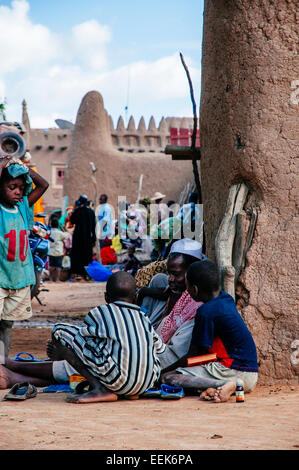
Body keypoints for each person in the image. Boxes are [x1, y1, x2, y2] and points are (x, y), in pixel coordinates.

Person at [1, 272, 165, 404]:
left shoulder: (100, 312)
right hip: (146, 383)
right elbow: (161, 348)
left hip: (116, 380)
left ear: (106, 297)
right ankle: (130, 391)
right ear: (135, 298)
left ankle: (99, 388)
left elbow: (83, 341)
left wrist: (62, 354)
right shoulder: (144, 318)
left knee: (61, 330)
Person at [162, 260, 259, 402]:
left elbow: (194, 355)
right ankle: (219, 388)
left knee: (169, 378)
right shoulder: (226, 298)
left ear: (194, 289)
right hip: (251, 375)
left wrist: (163, 371)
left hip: (232, 373)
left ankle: (221, 385)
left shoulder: (205, 312)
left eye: (188, 288)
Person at [0, 156, 48, 364]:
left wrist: (23, 167)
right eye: (12, 187)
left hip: (18, 277)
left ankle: (2, 363)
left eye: (21, 187)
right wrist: (3, 165)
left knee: (7, 325)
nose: (18, 192)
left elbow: (43, 184)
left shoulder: (21, 207)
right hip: (1, 277)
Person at [137, 238, 205, 371]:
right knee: (159, 280)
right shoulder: (176, 289)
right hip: (159, 341)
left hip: (170, 357)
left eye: (176, 274)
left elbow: (188, 354)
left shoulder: (198, 304)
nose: (171, 279)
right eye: (170, 273)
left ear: (192, 273)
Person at [70, 195, 96, 280]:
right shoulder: (91, 212)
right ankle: (87, 274)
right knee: (87, 256)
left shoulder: (78, 211)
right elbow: (94, 226)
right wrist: (94, 239)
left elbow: (72, 220)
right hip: (88, 238)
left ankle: (78, 274)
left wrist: (75, 209)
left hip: (78, 238)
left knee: (77, 256)